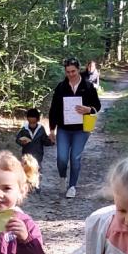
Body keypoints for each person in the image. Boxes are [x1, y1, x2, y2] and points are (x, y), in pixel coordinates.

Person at [48, 56, 101, 199]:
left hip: (81, 129)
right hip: (64, 129)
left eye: (73, 71)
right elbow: (53, 110)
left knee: (75, 157)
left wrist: (88, 109)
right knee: (62, 158)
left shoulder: (88, 86)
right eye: (68, 72)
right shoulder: (61, 87)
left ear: (78, 70)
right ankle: (62, 178)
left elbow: (97, 105)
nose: (71, 74)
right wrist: (52, 129)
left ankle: (72, 186)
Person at [15, 107, 49, 177]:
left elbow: (45, 141)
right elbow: (17, 139)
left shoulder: (41, 129)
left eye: (34, 123)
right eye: (30, 123)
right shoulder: (24, 129)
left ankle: (37, 187)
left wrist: (51, 141)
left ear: (38, 120)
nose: (32, 125)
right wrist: (21, 142)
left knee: (37, 173)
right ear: (27, 120)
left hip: (38, 156)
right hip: (26, 156)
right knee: (25, 172)